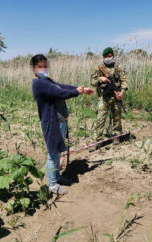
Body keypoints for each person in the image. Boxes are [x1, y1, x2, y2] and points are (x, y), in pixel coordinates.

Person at [31, 54, 94, 195]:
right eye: (40, 66)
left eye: (45, 66)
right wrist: (76, 92)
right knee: (53, 154)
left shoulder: (46, 80)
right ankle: (52, 185)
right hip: (52, 123)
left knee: (58, 152)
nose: (44, 69)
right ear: (34, 69)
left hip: (60, 122)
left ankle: (57, 176)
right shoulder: (38, 83)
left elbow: (61, 86)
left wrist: (80, 89)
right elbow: (59, 92)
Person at [90, 47, 128, 151]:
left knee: (117, 117)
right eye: (106, 56)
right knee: (100, 119)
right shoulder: (99, 68)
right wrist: (100, 79)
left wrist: (122, 93)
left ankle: (116, 136)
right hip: (103, 97)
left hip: (116, 97)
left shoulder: (118, 67)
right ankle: (96, 141)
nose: (108, 58)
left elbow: (124, 81)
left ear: (113, 56)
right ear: (103, 57)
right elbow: (92, 81)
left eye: (110, 56)